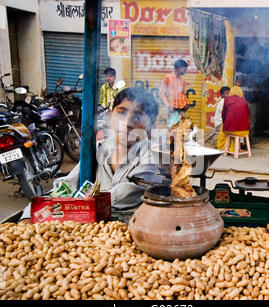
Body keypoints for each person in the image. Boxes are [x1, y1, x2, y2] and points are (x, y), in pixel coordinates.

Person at [19, 87, 163, 223]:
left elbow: (129, 191)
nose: (127, 123)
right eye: (122, 113)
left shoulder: (153, 157)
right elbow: (65, 186)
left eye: (138, 116)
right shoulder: (98, 151)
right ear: (110, 115)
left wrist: (78, 204)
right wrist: (29, 215)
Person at [159, 59, 190, 128]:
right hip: (173, 110)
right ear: (179, 67)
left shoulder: (182, 80)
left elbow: (183, 94)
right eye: (185, 69)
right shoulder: (168, 77)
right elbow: (161, 93)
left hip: (182, 110)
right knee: (173, 130)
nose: (186, 71)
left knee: (180, 131)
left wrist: (187, 103)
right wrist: (168, 106)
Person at [220, 86, 250, 151]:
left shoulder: (227, 99)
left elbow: (223, 114)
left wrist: (224, 123)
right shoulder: (244, 101)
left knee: (223, 132)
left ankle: (223, 149)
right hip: (244, 131)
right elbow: (248, 116)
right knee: (236, 130)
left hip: (230, 130)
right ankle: (234, 148)